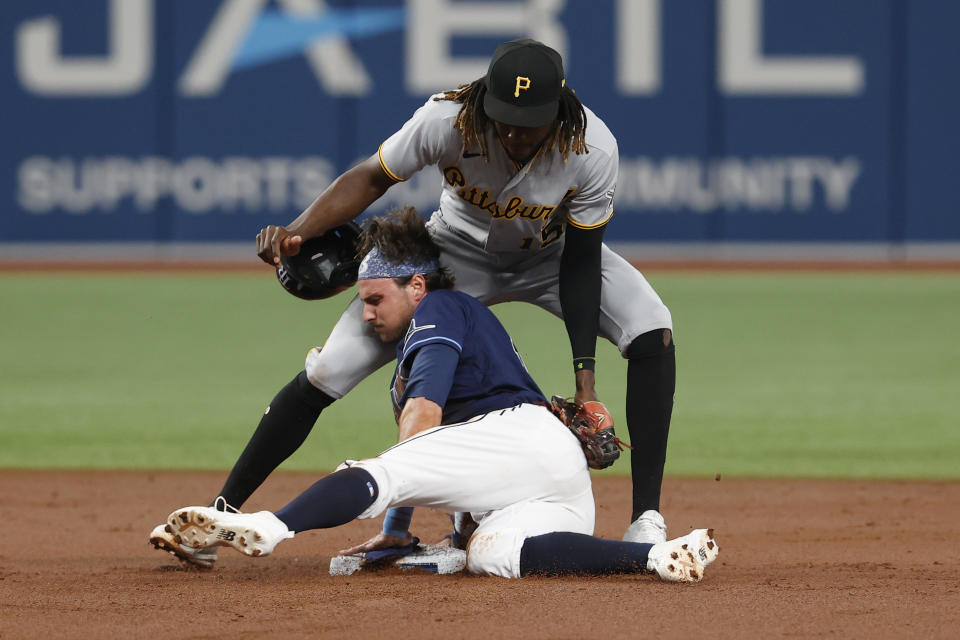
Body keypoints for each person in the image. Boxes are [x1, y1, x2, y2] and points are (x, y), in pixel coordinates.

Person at [150, 38, 676, 567]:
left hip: (553, 255)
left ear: (560, 109)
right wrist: (298, 229)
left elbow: (582, 264)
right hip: (455, 252)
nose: (515, 131)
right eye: (505, 118)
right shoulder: (447, 119)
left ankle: (645, 519)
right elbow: (372, 177)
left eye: (530, 121)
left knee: (652, 327)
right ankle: (220, 515)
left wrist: (586, 384)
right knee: (329, 369)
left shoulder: (592, 147)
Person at [160, 209, 717, 581]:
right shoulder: (440, 324)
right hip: (551, 486)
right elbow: (451, 449)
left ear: (417, 285)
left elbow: (423, 422)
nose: (367, 312)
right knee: (492, 553)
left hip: (515, 439)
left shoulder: (439, 311)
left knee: (383, 470)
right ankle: (656, 556)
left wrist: (396, 526)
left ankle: (267, 527)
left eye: (376, 298)